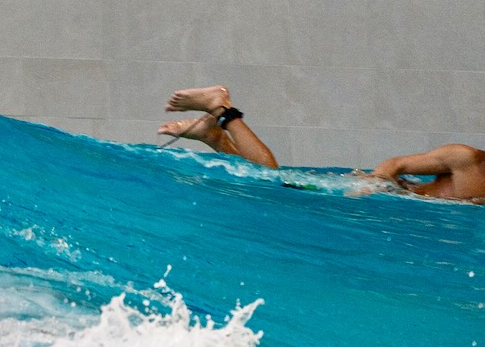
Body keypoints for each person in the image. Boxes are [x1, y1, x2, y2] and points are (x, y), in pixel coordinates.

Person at [159, 84, 485, 202]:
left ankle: (216, 137)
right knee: (273, 182)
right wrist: (374, 184)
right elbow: (394, 164)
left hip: (392, 199)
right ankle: (223, 109)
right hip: (371, 193)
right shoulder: (465, 159)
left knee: (273, 184)